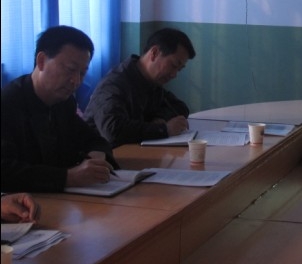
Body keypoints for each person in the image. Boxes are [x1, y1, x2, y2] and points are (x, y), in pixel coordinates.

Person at [1, 26, 117, 193]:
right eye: (70, 70)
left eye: (82, 73)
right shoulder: (8, 104)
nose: (76, 81)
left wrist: (97, 154)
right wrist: (68, 178)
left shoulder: (64, 102)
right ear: (41, 61)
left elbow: (93, 139)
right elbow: (5, 171)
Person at [83, 27, 196, 147]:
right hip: (102, 154)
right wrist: (164, 129)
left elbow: (180, 107)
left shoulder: (152, 82)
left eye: (179, 69)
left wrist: (159, 118)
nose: (174, 75)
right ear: (154, 53)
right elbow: (113, 130)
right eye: (173, 65)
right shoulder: (114, 84)